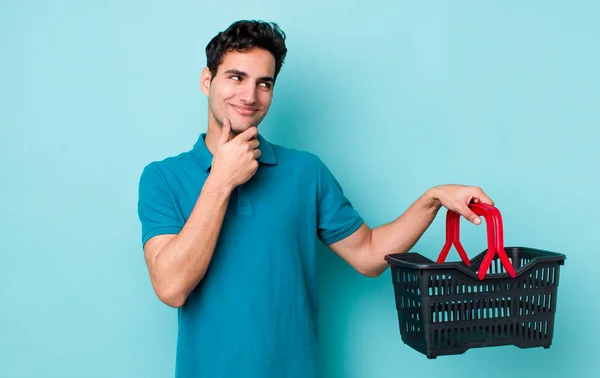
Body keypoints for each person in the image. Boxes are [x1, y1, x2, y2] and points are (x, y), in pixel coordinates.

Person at [137, 20, 494, 378]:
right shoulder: (162, 178)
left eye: (265, 83)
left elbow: (369, 255)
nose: (249, 96)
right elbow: (171, 287)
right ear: (206, 81)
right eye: (236, 77)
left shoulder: (306, 172)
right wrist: (221, 181)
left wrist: (433, 199)